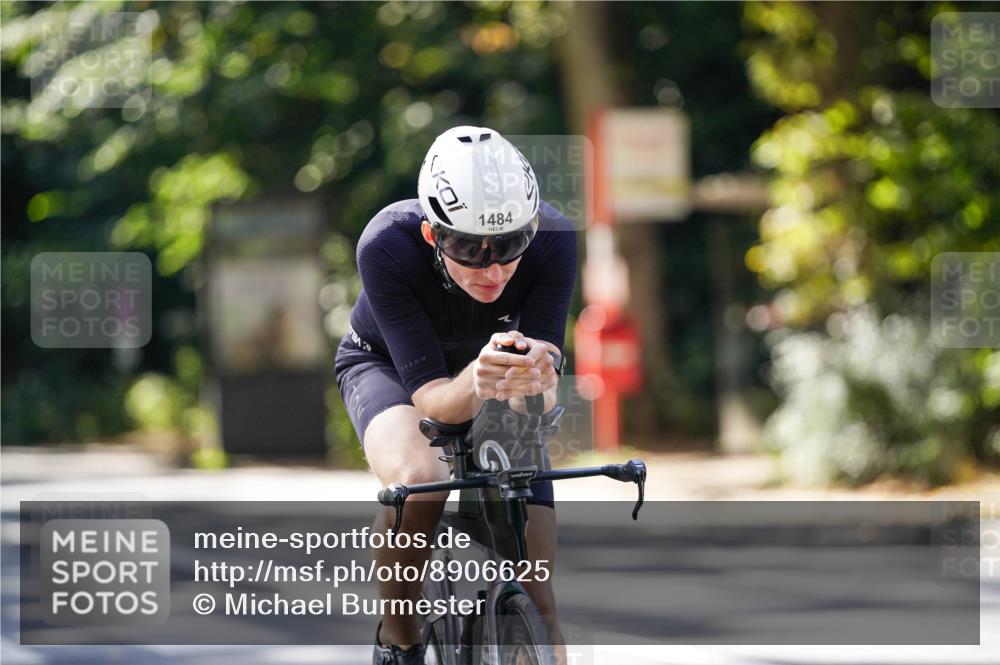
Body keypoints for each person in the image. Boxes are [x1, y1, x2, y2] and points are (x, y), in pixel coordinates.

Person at [334, 125, 577, 665]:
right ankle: (400, 644)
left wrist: (535, 378)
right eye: (468, 247)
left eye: (510, 245)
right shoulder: (386, 244)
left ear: (531, 228)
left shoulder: (555, 237)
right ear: (432, 235)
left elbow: (540, 379)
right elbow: (431, 401)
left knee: (537, 586)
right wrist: (477, 380)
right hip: (390, 367)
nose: (492, 270)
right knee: (421, 483)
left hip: (492, 368)